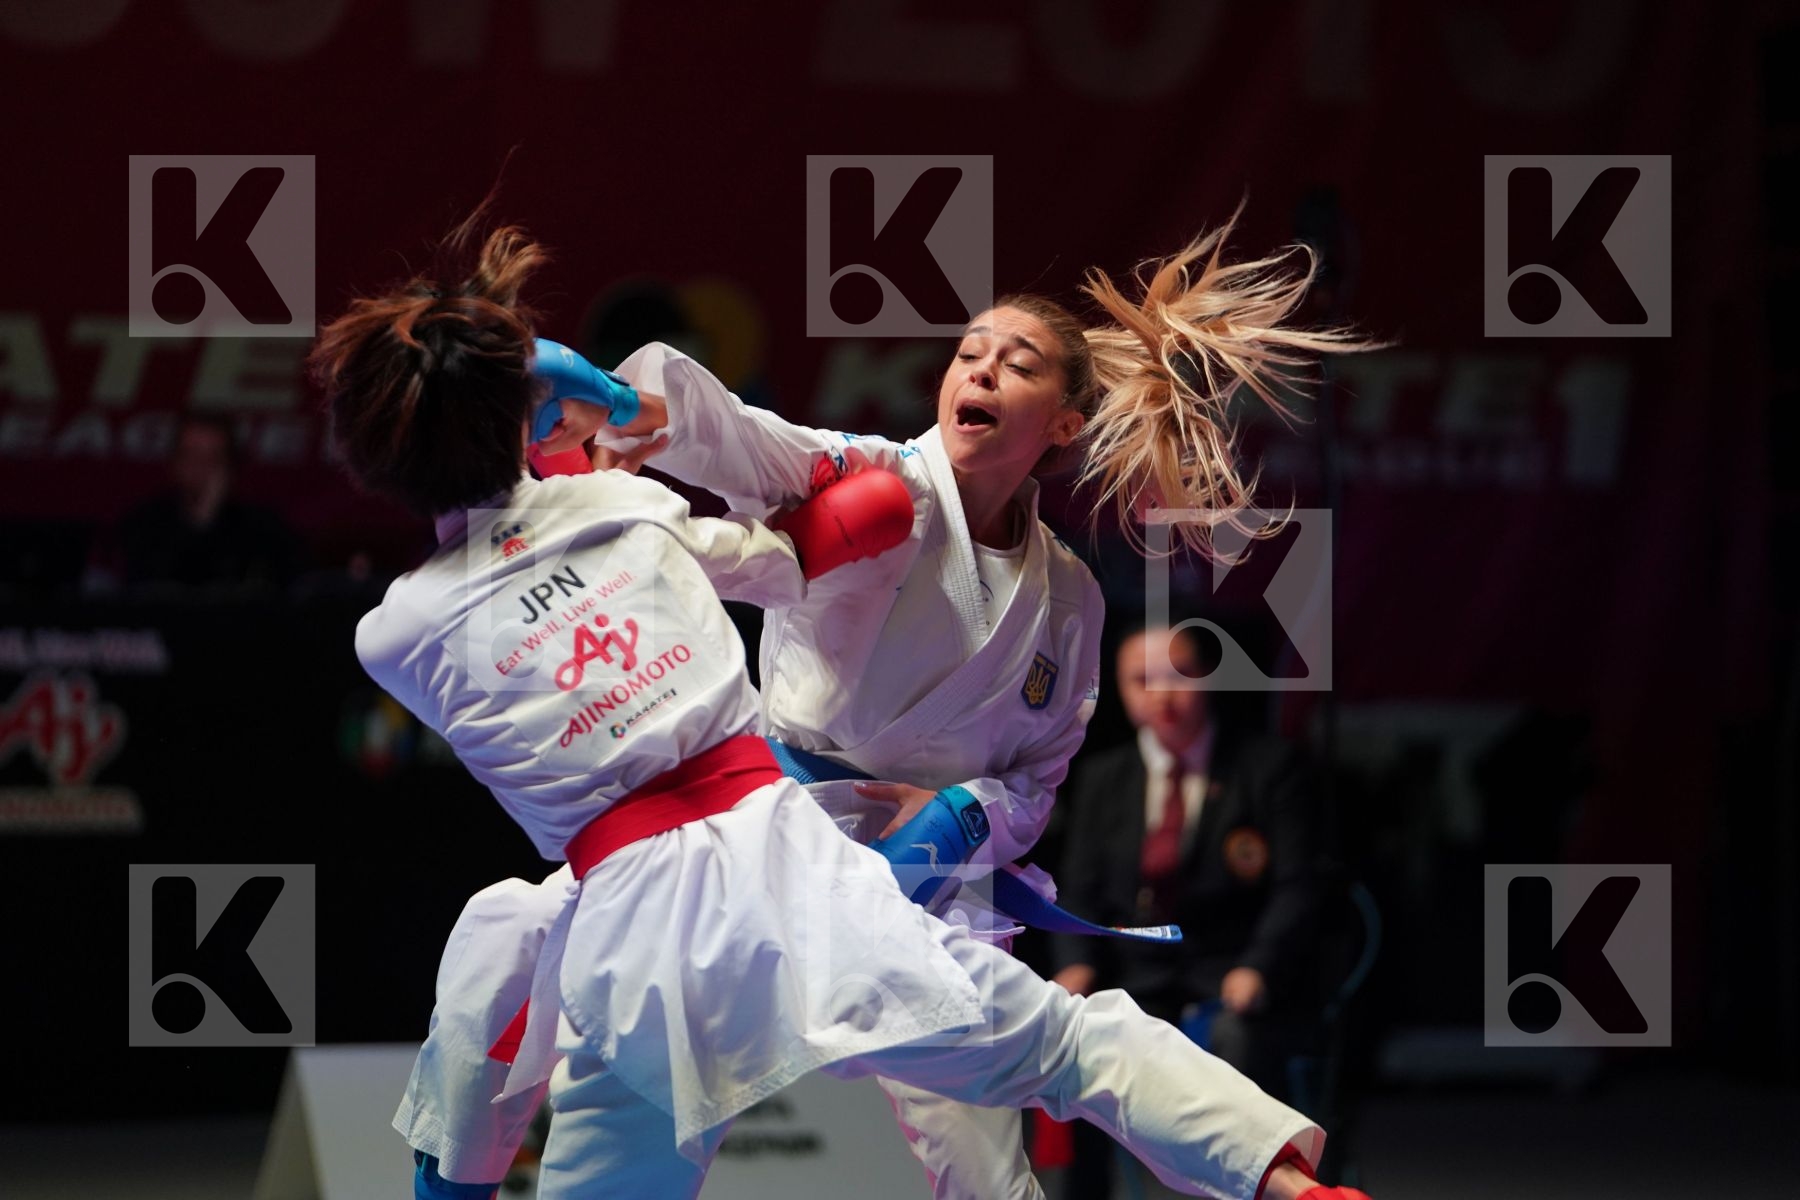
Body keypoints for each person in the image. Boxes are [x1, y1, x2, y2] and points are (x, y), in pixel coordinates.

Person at [326, 210, 1368, 1200]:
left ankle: (1292, 1182)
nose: (983, 367)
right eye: (970, 351)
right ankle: (1278, 1172)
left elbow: (1038, 770)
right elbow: (733, 452)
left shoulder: (1070, 597)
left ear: (1063, 420)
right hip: (793, 841)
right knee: (1063, 1045)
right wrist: (631, 421)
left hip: (817, 887)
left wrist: (967, 820)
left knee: (994, 1154)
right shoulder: (840, 485)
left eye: (1016, 360)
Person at [1053, 625, 1331, 1196]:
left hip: (1235, 975)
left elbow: (1300, 886)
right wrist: (1077, 962)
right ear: (1119, 693)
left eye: (1177, 677)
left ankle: (1256, 1188)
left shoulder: (1269, 766)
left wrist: (1259, 965)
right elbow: (1077, 889)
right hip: (1137, 975)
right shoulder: (1103, 777)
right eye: (1141, 681)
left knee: (1238, 1039)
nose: (1162, 696)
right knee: (1074, 1037)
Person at [114, 412, 298, 588]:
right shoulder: (145, 523)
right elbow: (152, 584)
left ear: (231, 467)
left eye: (214, 458)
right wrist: (200, 521)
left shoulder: (261, 527)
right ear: (175, 462)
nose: (201, 467)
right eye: (192, 455)